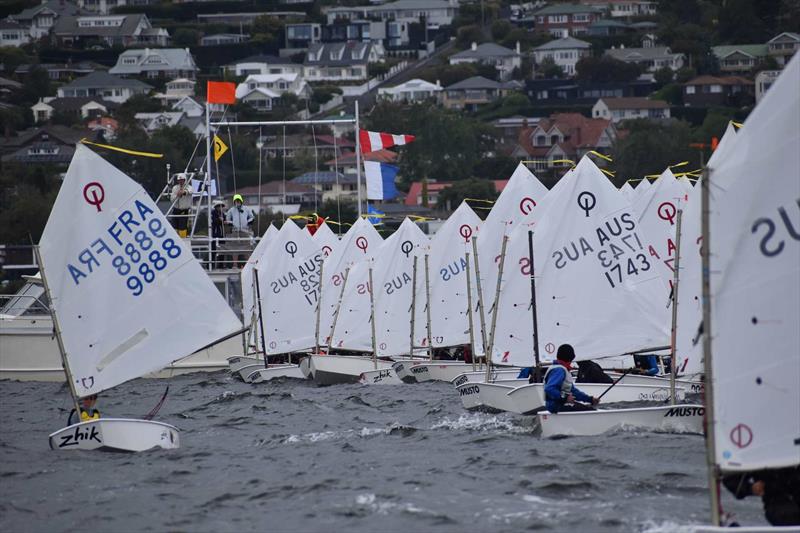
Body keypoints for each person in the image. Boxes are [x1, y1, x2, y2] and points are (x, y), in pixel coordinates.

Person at [722, 466, 800, 526]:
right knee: (785, 514)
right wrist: (750, 488)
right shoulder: (756, 453)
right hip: (778, 503)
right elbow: (731, 479)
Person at [544, 344, 600, 413]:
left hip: (557, 405)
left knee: (588, 408)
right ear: (570, 358)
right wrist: (565, 397)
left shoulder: (560, 368)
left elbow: (573, 391)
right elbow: (549, 389)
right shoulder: (559, 370)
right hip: (557, 406)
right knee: (591, 411)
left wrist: (590, 399)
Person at [225, 194, 255, 268]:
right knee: (235, 248)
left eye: (238, 200)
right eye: (236, 201)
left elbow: (252, 217)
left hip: (245, 230)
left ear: (241, 201)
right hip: (235, 231)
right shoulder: (231, 210)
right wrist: (232, 223)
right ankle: (235, 265)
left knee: (246, 247)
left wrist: (248, 222)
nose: (237, 202)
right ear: (234, 202)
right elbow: (227, 220)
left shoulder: (246, 209)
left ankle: (249, 265)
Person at [211, 199, 226, 268]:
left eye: (221, 206)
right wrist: (219, 220)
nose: (221, 208)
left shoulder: (222, 214)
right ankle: (211, 265)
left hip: (222, 234)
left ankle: (221, 265)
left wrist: (225, 221)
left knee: (222, 250)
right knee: (213, 250)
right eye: (219, 206)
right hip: (215, 234)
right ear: (216, 207)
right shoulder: (213, 213)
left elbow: (224, 221)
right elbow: (213, 221)